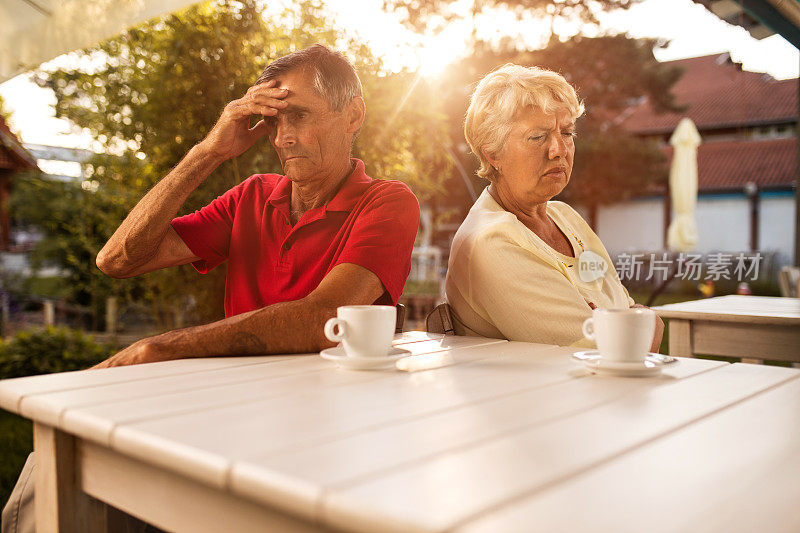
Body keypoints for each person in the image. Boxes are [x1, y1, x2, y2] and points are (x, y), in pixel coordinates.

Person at [2, 44, 419, 533]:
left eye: (299, 116)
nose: (283, 138)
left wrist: (163, 347)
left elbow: (321, 317)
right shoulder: (253, 195)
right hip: (225, 410)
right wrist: (209, 152)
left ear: (353, 116)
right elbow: (117, 260)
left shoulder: (387, 202)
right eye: (273, 123)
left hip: (320, 437)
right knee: (70, 449)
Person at [445, 63, 663, 350]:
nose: (559, 149)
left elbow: (625, 310)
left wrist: (625, 321)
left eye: (567, 133)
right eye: (538, 137)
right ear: (493, 153)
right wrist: (642, 322)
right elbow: (617, 348)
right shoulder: (491, 241)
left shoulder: (565, 216)